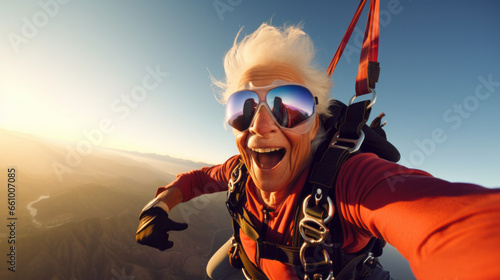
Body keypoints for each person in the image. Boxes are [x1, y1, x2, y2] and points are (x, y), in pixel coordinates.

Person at [136, 23, 500, 280]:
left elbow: (456, 226)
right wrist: (159, 204)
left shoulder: (351, 181)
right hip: (250, 261)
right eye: (244, 107)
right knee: (214, 271)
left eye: (288, 107)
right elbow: (199, 179)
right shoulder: (239, 170)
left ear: (315, 122)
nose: (261, 126)